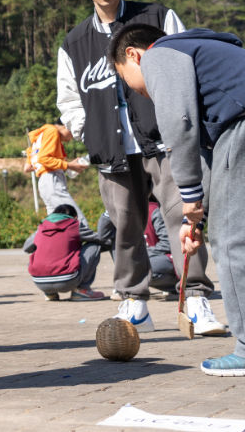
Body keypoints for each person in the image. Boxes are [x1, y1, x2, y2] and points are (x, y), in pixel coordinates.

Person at [56, 0, 224, 334]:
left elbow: (187, 64)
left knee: (184, 215)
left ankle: (195, 298)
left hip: (165, 140)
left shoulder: (157, 17)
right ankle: (133, 301)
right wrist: (88, 131)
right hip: (112, 150)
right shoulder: (75, 41)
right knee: (125, 225)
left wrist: (183, 118)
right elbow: (68, 98)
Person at [109, 23, 245, 374]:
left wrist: (188, 194)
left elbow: (179, 124)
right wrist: (195, 217)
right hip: (234, 129)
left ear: (132, 55)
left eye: (126, 80)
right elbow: (206, 151)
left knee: (231, 244)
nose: (135, 90)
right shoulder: (200, 52)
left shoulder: (160, 56)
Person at [23, 204, 105, 300]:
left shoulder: (42, 227)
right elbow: (99, 238)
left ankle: (50, 293)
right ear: (75, 217)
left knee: (38, 253)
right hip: (68, 280)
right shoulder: (74, 225)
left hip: (40, 283)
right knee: (93, 246)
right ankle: (81, 290)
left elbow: (26, 248)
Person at [23, 121, 90, 227]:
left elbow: (28, 167)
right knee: (77, 221)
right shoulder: (52, 131)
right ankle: (91, 242)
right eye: (72, 133)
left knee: (56, 224)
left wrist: (66, 165)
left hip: (44, 183)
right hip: (52, 181)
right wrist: (69, 166)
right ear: (65, 126)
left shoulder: (38, 138)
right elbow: (44, 159)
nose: (70, 139)